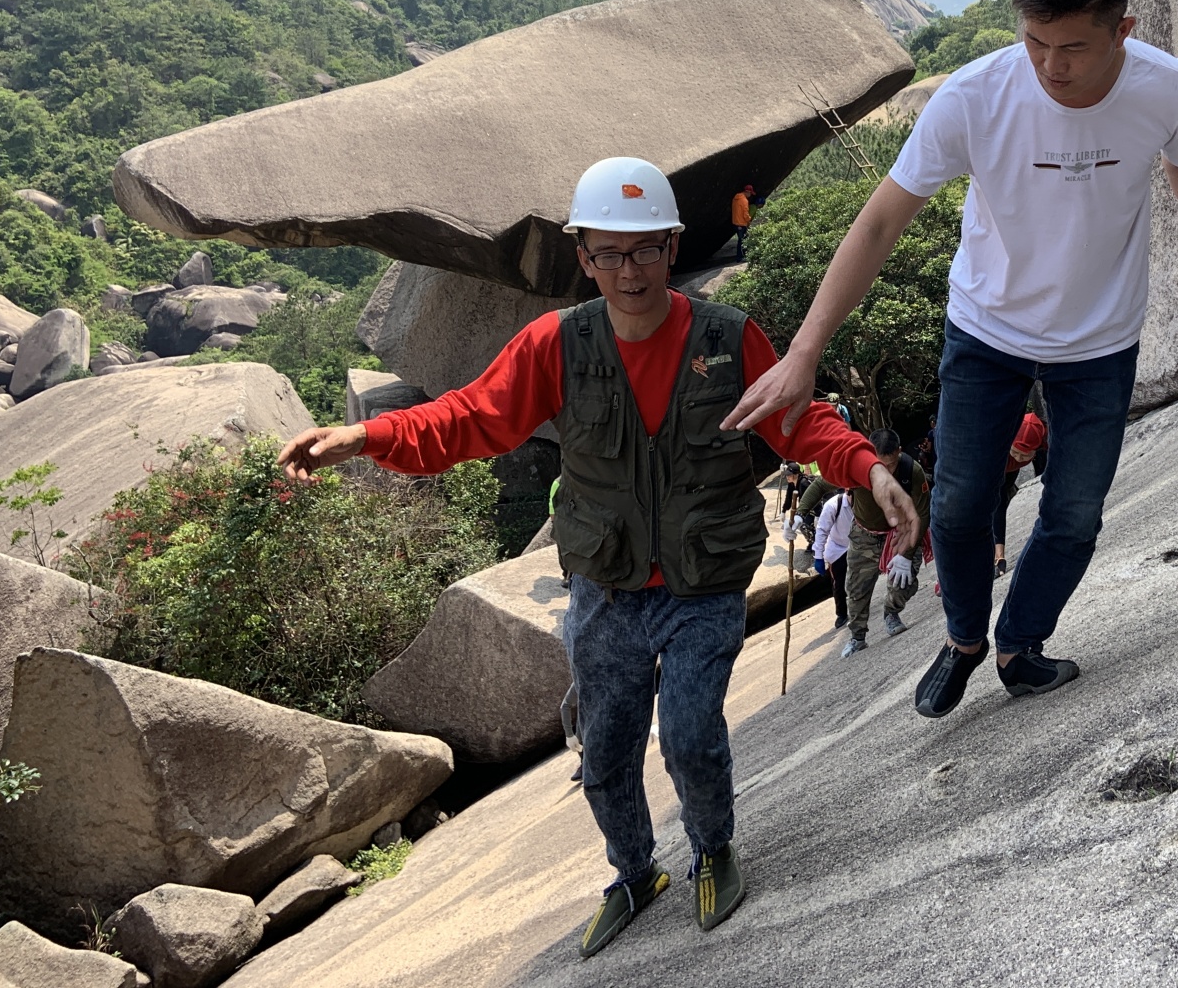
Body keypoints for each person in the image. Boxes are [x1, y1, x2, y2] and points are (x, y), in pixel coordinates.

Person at [277, 157, 917, 959]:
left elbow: (799, 421)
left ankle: (712, 848)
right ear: (583, 257)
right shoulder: (558, 345)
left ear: (673, 245)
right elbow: (470, 419)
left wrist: (869, 468)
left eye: (645, 249)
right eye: (609, 253)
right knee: (607, 753)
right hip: (606, 596)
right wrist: (364, 437)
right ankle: (635, 872)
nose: (629, 270)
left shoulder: (727, 339)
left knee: (688, 732)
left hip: (701, 586)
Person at [725, 0, 1178, 719]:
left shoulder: (1167, 87)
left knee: (1074, 512)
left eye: (1072, 47)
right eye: (1034, 42)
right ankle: (964, 637)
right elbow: (878, 224)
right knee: (960, 504)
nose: (1050, 66)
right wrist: (804, 351)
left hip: (1100, 336)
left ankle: (1019, 644)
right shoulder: (975, 96)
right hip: (987, 327)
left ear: (1122, 32)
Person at [842, 427, 932, 658]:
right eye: (881, 465)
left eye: (891, 464)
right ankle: (857, 636)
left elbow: (922, 513)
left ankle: (891, 612)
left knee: (905, 578)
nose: (888, 471)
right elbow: (822, 484)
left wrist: (906, 554)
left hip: (900, 532)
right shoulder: (854, 466)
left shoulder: (912, 470)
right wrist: (801, 513)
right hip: (865, 534)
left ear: (899, 452)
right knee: (857, 588)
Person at [992, 410, 1046, 578]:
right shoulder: (998, 445)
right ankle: (997, 556)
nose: (1019, 457)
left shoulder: (1045, 438)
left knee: (1003, 496)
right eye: (1016, 452)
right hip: (996, 466)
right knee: (996, 502)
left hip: (1010, 471)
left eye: (1025, 455)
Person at [810, 488, 854, 629]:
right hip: (838, 548)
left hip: (858, 544)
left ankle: (860, 605)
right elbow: (822, 530)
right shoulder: (833, 505)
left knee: (860, 578)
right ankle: (841, 614)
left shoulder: (864, 502)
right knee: (839, 583)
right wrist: (818, 556)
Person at [731, 183, 755, 260]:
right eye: (750, 193)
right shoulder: (744, 201)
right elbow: (745, 213)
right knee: (742, 241)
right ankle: (740, 257)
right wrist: (749, 219)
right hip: (741, 223)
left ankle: (740, 256)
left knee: (741, 240)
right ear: (747, 192)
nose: (750, 195)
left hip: (735, 222)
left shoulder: (736, 198)